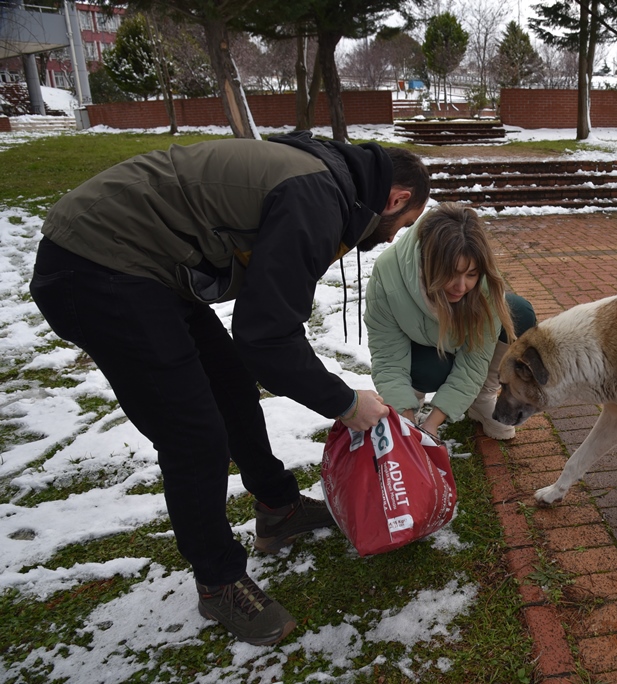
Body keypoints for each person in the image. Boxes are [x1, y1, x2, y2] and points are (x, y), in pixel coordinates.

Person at [28, 131, 430, 646]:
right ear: (395, 200)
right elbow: (268, 338)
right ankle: (218, 582)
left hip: (146, 265)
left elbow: (259, 334)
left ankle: (278, 508)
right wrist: (347, 403)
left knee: (231, 385)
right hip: (94, 265)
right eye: (405, 224)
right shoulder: (317, 197)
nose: (396, 237)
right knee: (193, 435)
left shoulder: (324, 179)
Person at [365, 202, 536, 440]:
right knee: (426, 372)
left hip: (459, 347)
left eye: (471, 275)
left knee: (519, 312)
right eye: (451, 274)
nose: (462, 286)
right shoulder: (387, 273)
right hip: (422, 352)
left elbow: (475, 361)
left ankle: (482, 398)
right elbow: (388, 359)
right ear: (428, 264)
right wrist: (408, 423)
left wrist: (432, 425)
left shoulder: (484, 280)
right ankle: (409, 403)